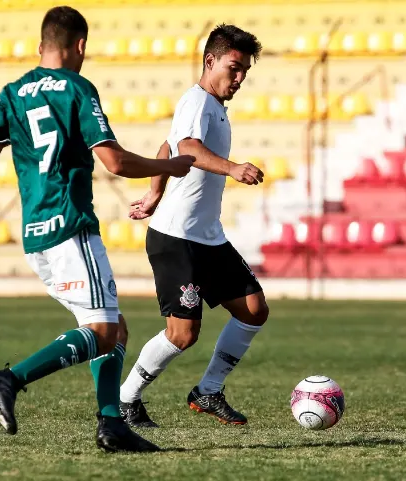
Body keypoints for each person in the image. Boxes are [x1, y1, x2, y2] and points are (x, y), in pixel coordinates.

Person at [0, 6, 194, 452]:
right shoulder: (76, 88)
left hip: (36, 235)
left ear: (40, 46)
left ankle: (112, 424)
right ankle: (9, 379)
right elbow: (115, 161)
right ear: (81, 46)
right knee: (105, 331)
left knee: (114, 327)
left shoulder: (10, 93)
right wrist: (171, 165)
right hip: (71, 225)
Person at [119, 24, 269, 428]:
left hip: (207, 237)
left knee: (254, 309)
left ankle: (208, 391)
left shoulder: (213, 107)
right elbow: (187, 148)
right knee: (183, 334)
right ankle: (125, 399)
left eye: (244, 73)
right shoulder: (198, 101)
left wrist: (154, 192)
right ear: (210, 61)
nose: (238, 79)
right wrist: (234, 167)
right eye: (233, 68)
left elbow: (167, 147)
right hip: (176, 238)